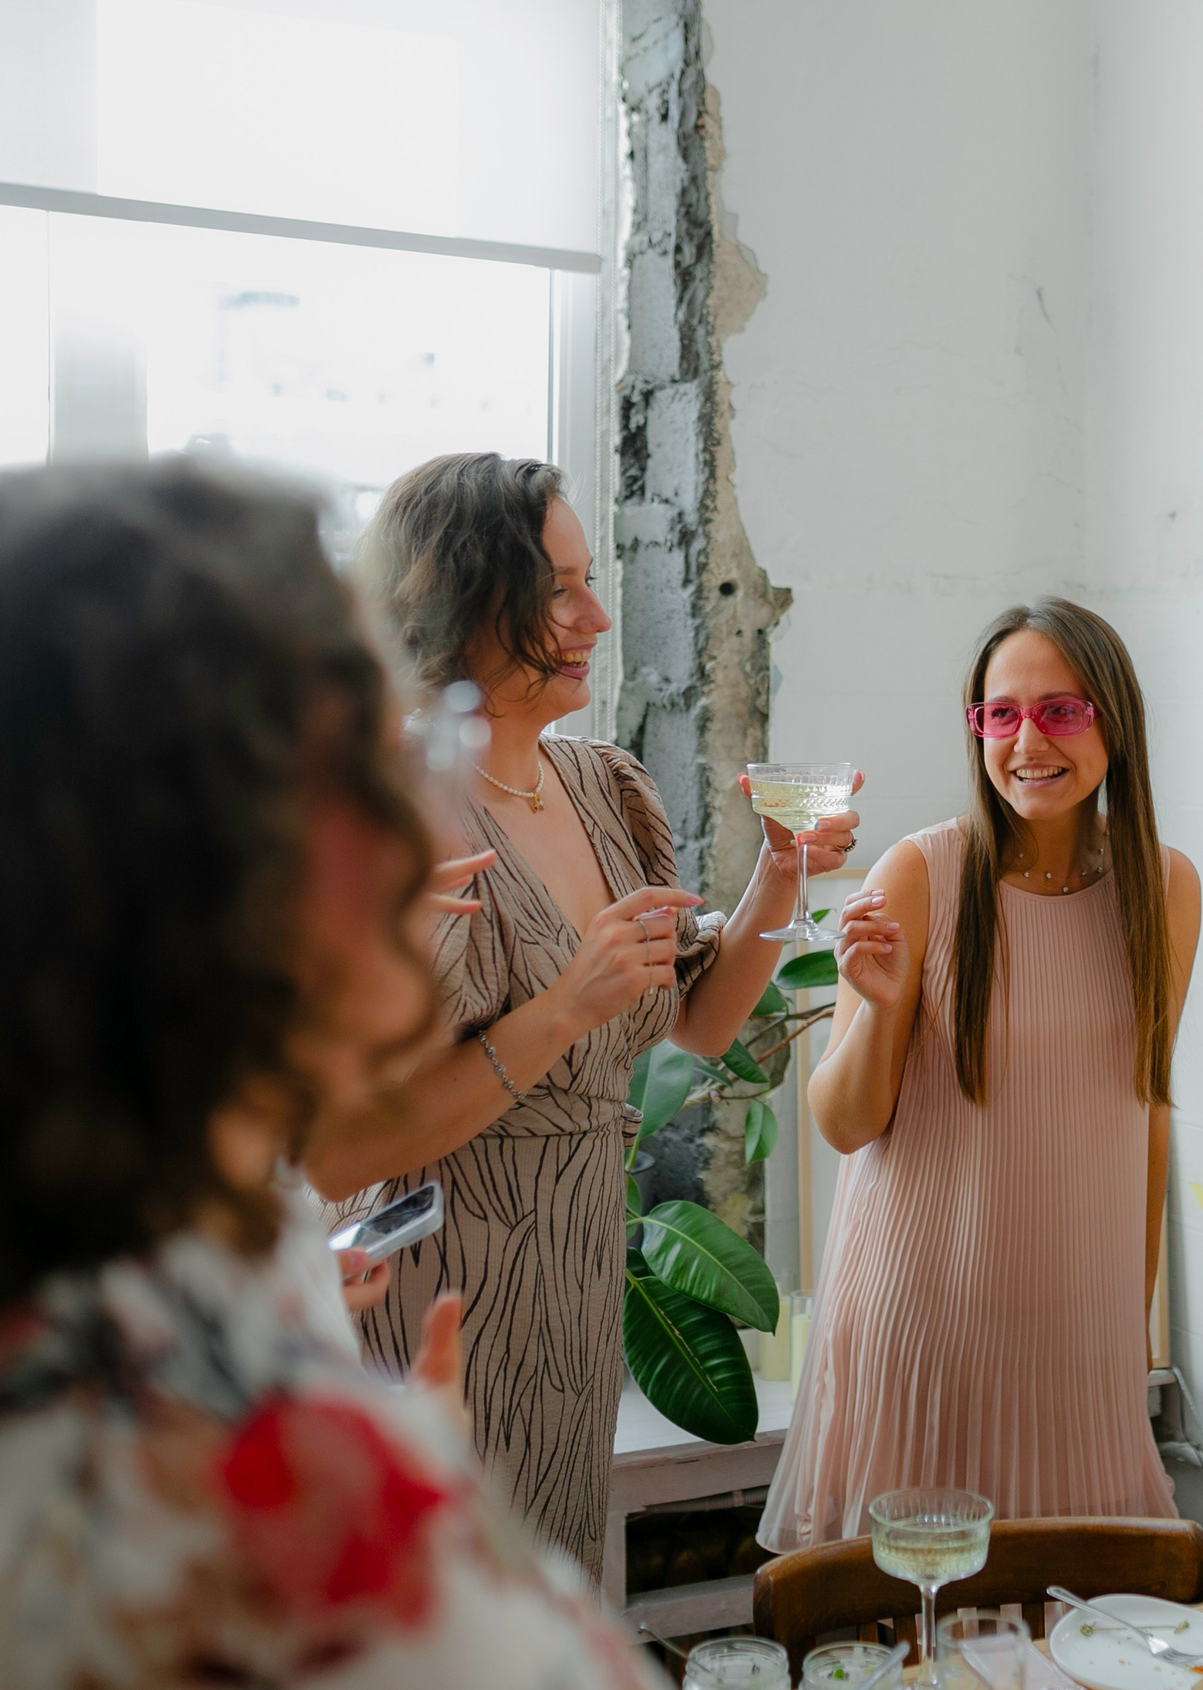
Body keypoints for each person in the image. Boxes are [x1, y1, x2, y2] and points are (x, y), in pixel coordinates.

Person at [0, 461, 668, 1690]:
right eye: (383, 751)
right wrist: (427, 1502)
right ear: (231, 855)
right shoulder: (300, 1516)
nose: (426, 809)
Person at [300, 452, 856, 1578]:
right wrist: (560, 1008)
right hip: (426, 1286)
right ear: (458, 600)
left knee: (550, 1590)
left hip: (572, 1273)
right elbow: (337, 1154)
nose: (596, 616)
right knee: (438, 1604)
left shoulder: (606, 785)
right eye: (556, 590)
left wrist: (777, 878)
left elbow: (695, 1027)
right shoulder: (382, 813)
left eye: (590, 580)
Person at [757, 599, 1199, 1548]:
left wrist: (1133, 1314)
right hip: (928, 1323)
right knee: (926, 1612)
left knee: (1077, 1612)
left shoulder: (1166, 887)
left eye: (1061, 711)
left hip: (1078, 1335)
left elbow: (1148, 1107)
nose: (1028, 742)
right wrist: (881, 1007)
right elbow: (843, 1124)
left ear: (1116, 720)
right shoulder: (919, 872)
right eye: (1002, 715)